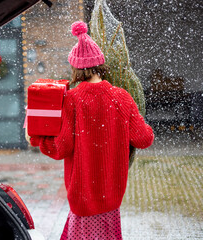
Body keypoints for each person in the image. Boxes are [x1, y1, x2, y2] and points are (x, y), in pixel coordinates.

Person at [27, 21, 154, 240]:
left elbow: (62, 147)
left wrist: (38, 139)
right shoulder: (122, 97)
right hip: (112, 197)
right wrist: (136, 121)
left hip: (83, 199)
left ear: (76, 68)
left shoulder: (71, 100)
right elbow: (144, 138)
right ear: (101, 65)